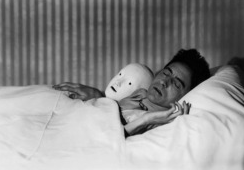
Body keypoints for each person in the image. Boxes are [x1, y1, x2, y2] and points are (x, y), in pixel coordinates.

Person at [53, 49, 210, 136]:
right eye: (166, 73)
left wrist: (147, 119)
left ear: (186, 95)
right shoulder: (140, 93)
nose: (164, 81)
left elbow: (109, 139)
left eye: (176, 83)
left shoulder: (165, 122)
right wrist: (98, 97)